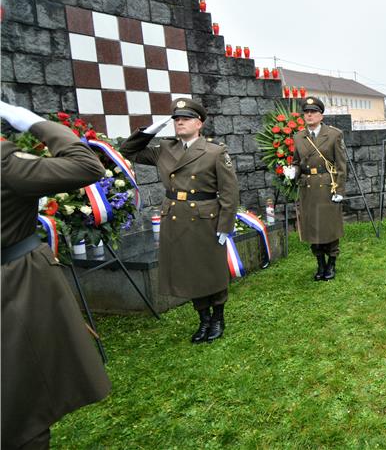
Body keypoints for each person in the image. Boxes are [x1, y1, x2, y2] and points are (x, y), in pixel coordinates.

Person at [1, 101, 111, 449]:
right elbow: (85, 164)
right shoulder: (5, 165)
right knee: (22, 404)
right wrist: (36, 123)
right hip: (15, 286)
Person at [120, 98, 239, 343]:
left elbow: (229, 192)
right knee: (189, 269)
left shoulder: (215, 151)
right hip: (176, 217)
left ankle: (217, 318)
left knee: (209, 269)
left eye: (185, 118)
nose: (179, 122)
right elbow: (128, 151)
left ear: (199, 123)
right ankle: (203, 319)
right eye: (176, 118)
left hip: (205, 217)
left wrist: (225, 225)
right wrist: (150, 131)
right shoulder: (165, 148)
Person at [284, 97, 347, 280]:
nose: (309, 115)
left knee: (329, 226)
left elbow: (341, 166)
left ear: (321, 115)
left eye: (313, 112)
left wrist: (340, 191)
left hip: (328, 187)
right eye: (306, 112)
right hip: (308, 189)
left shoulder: (334, 135)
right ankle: (320, 264)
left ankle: (331, 264)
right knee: (312, 227)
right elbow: (297, 162)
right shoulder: (298, 137)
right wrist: (293, 171)